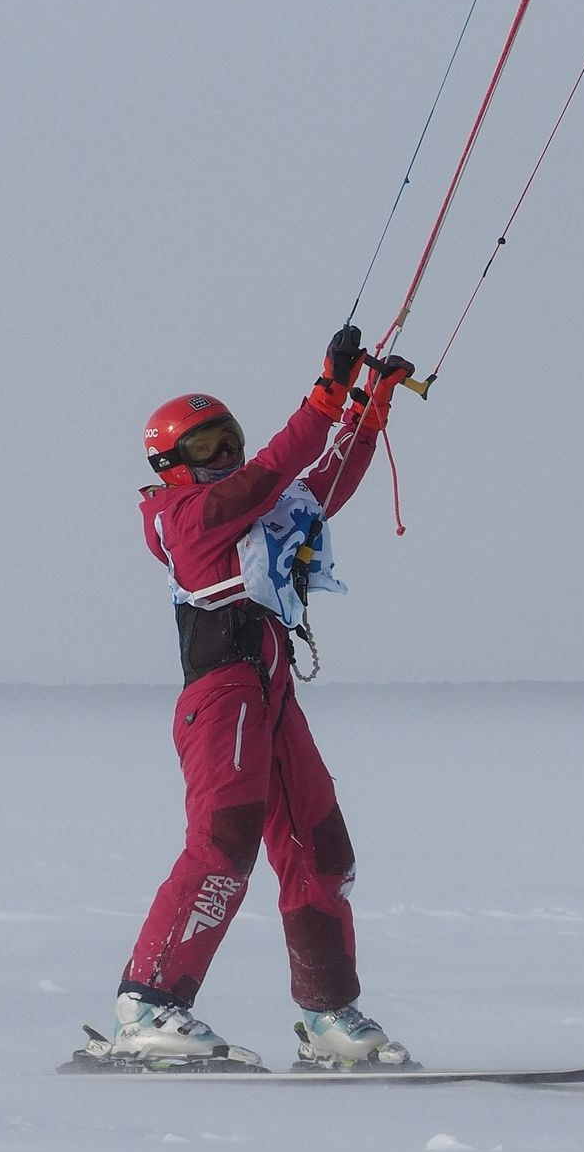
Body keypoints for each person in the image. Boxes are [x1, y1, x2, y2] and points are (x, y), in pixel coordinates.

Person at [96, 326, 417, 1069]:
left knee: (321, 849)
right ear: (170, 464)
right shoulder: (185, 517)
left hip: (271, 695)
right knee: (225, 841)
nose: (225, 456)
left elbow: (318, 485)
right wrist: (324, 399)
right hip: (222, 695)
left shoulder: (251, 506)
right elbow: (274, 470)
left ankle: (328, 1013)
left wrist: (366, 411)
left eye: (229, 440)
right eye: (205, 448)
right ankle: (148, 1004)